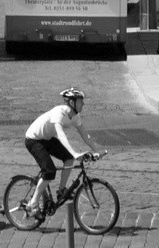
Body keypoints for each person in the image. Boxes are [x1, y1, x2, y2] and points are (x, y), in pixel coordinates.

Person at [23, 88, 102, 218]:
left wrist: (96, 150)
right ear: (72, 102)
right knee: (49, 171)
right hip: (33, 139)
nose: (83, 104)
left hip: (46, 138)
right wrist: (75, 152)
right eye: (80, 101)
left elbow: (84, 134)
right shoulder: (59, 113)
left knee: (69, 158)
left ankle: (61, 190)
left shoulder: (75, 116)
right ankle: (33, 203)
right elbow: (60, 135)